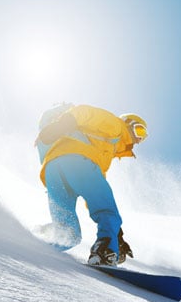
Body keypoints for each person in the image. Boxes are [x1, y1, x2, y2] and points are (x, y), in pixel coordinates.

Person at [35, 103, 148, 266]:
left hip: (53, 169)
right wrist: (63, 124)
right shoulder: (117, 126)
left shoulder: (104, 149)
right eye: (139, 131)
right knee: (108, 211)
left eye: (143, 136)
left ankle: (34, 241)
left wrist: (117, 233)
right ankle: (104, 253)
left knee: (68, 235)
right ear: (128, 124)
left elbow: (93, 194)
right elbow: (86, 112)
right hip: (77, 161)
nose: (139, 139)